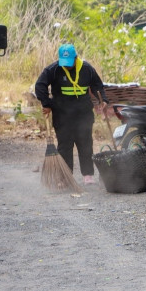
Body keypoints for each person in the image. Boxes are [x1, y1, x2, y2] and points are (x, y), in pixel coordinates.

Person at [35, 43, 108, 185]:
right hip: (62, 114)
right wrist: (46, 104)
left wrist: (103, 100)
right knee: (65, 145)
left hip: (83, 114)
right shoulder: (53, 69)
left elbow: (97, 85)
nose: (66, 66)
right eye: (64, 63)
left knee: (85, 143)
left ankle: (88, 175)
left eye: (69, 63)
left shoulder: (87, 69)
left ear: (76, 58)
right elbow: (40, 85)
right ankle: (65, 177)